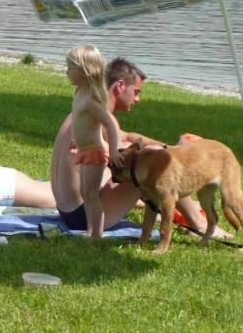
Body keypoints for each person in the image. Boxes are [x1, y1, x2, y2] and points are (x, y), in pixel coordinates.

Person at [50, 56, 224, 235]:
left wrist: (170, 146)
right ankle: (199, 224)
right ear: (120, 86)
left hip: (68, 211)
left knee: (146, 152)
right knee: (157, 160)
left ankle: (168, 206)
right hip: (85, 217)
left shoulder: (86, 110)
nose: (138, 99)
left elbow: (126, 136)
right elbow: (126, 153)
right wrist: (169, 152)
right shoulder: (105, 119)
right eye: (136, 92)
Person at [64, 46, 120, 237]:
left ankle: (95, 233)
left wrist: (114, 152)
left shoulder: (90, 99)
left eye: (70, 68)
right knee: (85, 192)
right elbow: (81, 122)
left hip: (95, 152)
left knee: (91, 194)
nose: (67, 72)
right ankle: (91, 229)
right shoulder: (79, 92)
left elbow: (110, 126)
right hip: (84, 150)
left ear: (84, 71)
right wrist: (74, 138)